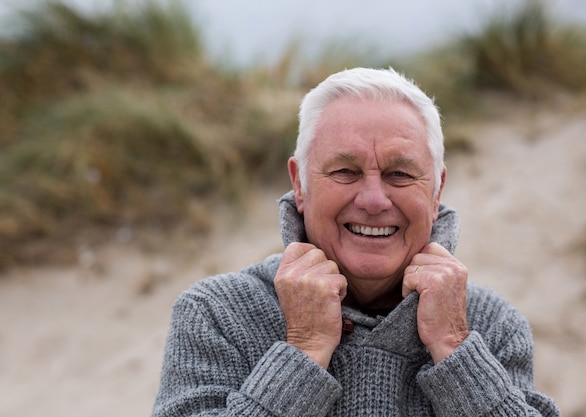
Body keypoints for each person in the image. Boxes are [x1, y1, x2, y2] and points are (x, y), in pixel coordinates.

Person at [152, 67, 560, 416]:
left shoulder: (491, 325)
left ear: (436, 193)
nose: (373, 200)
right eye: (345, 171)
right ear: (300, 183)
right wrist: (304, 352)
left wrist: (454, 347)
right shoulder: (217, 313)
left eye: (399, 175)